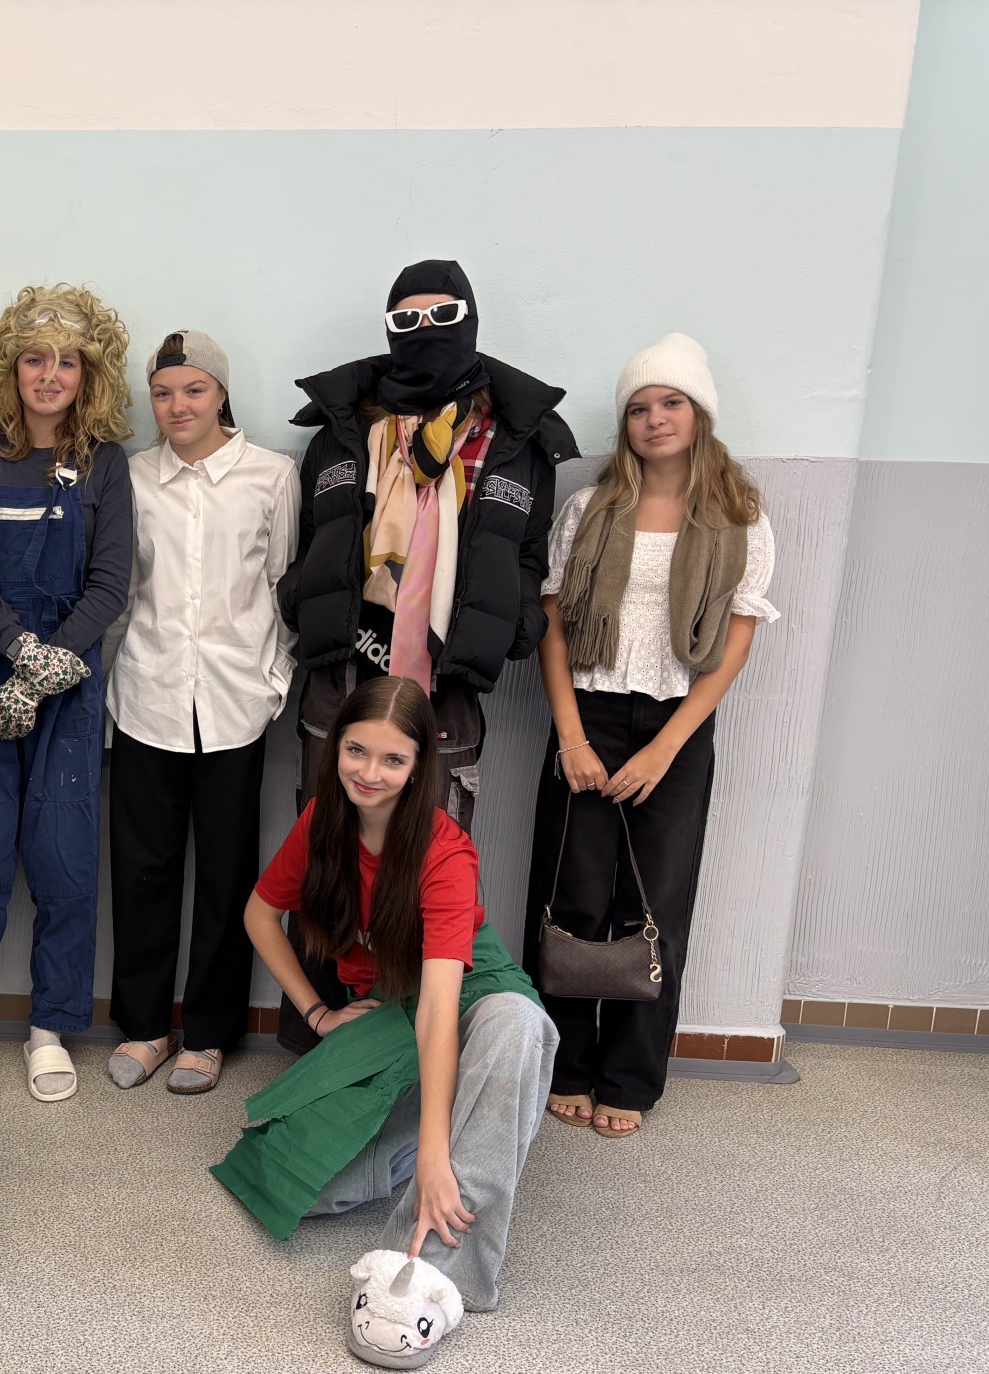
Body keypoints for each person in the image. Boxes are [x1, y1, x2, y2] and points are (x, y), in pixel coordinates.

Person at [210, 678, 556, 1370]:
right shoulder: (323, 824)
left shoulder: (445, 852)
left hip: (472, 999)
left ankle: (426, 1277)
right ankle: (455, 1132)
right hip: (394, 1012)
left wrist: (433, 1159)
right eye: (356, 751)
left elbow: (439, 1010)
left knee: (516, 1026)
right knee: (297, 1183)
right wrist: (318, 1013)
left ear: (421, 765)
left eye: (393, 759)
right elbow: (259, 915)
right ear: (335, 746)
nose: (369, 772)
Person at [525, 334, 776, 1140]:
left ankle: (630, 1076)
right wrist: (570, 737)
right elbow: (554, 625)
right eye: (639, 407)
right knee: (569, 897)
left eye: (671, 403)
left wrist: (666, 748)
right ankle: (562, 1065)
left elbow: (735, 642)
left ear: (699, 414)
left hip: (677, 724)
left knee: (654, 905)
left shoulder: (739, 517)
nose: (655, 418)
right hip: (588, 715)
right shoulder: (591, 510)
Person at [281, 259, 577, 831]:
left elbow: (528, 553)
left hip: (445, 686)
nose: (424, 329)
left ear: (470, 321)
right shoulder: (345, 430)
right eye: (406, 318)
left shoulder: (515, 442)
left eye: (443, 315)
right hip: (343, 673)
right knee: (328, 852)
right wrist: (300, 595)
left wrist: (514, 621)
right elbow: (313, 536)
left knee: (432, 856)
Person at [0, 284, 134, 1105]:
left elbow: (110, 584)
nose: (49, 375)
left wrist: (51, 662)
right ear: (7, 369)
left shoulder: (105, 464)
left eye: (67, 362)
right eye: (33, 359)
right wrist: (19, 651)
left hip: (70, 686)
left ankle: (50, 1028)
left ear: (90, 374)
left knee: (64, 861)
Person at [104, 331, 299, 1095]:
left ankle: (210, 1034)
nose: (177, 405)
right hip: (146, 696)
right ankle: (145, 1027)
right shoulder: (132, 478)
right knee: (142, 871)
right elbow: (121, 594)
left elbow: (281, 586)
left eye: (193, 390)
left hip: (234, 704)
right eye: (162, 393)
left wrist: (271, 682)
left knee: (225, 875)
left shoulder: (271, 476)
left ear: (220, 394)